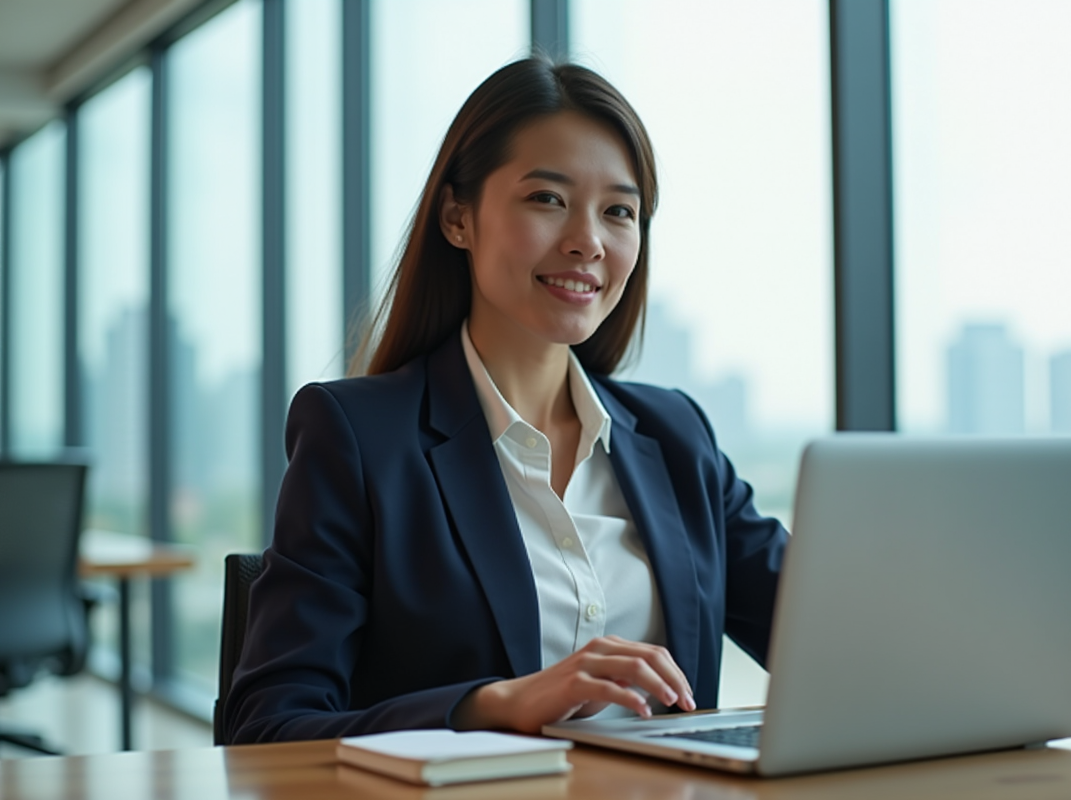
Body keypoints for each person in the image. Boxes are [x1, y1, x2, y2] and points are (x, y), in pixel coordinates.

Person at [223, 58, 788, 744]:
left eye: (619, 211)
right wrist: (492, 705)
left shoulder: (677, 436)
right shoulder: (358, 437)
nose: (587, 241)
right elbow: (268, 726)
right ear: (458, 218)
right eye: (547, 199)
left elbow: (831, 636)